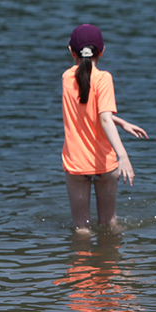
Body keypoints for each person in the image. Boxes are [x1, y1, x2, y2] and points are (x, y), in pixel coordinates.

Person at [61, 24, 148, 233]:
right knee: (109, 224)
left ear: (71, 51)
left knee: (81, 228)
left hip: (75, 162)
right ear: (102, 51)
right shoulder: (103, 78)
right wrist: (123, 156)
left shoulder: (66, 77)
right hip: (104, 162)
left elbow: (86, 113)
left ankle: (81, 265)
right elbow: (104, 118)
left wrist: (121, 122)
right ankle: (108, 264)